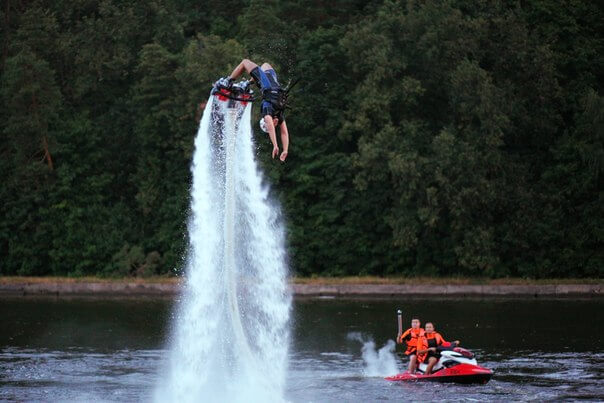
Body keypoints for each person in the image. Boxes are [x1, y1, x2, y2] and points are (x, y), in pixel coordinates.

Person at [216, 59, 290, 162]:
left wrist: (275, 145)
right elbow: (284, 133)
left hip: (266, 85)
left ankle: (228, 81)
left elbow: (270, 127)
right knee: (265, 65)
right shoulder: (279, 115)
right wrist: (285, 150)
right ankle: (246, 83)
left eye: (273, 125)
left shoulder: (267, 111)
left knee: (245, 62)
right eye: (275, 125)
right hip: (274, 84)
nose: (276, 124)